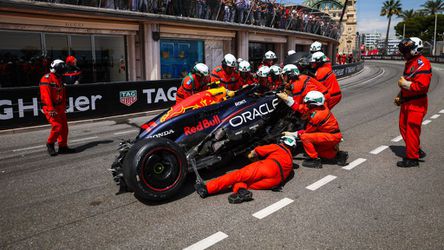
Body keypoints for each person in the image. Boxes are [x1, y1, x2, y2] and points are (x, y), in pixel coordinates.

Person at [194, 135, 296, 203]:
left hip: (268, 167)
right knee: (244, 182)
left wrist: (250, 156)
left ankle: (206, 189)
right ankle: (242, 191)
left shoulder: (278, 147)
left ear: (283, 141)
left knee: (237, 175)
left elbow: (257, 151)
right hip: (275, 182)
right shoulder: (290, 159)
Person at [284, 91, 348, 168]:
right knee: (319, 151)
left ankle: (314, 160)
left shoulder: (316, 116)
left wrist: (292, 134)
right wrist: (288, 99)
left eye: (308, 102)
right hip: (332, 135)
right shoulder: (322, 107)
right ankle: (339, 156)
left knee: (305, 137)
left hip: (331, 137)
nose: (306, 104)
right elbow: (302, 108)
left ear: (313, 103)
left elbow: (307, 131)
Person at [394, 37, 431, 168]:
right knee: (403, 127)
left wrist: (406, 85)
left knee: (412, 130)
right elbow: (408, 81)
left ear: (415, 50)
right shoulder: (410, 62)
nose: (404, 54)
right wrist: (401, 95)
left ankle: (412, 158)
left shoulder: (422, 63)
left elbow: (422, 86)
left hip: (417, 103)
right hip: (407, 101)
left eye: (406, 51)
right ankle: (415, 149)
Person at [39, 59, 75, 156]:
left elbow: (62, 93)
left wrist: (64, 105)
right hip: (50, 107)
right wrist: (51, 108)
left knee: (64, 128)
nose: (63, 71)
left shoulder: (59, 78)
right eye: (61, 69)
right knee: (57, 126)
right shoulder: (46, 79)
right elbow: (46, 96)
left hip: (60, 107)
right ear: (55, 69)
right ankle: (50, 144)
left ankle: (63, 147)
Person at [161, 81, 235, 122]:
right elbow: (189, 97)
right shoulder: (189, 82)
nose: (204, 78)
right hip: (184, 103)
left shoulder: (202, 81)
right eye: (202, 77)